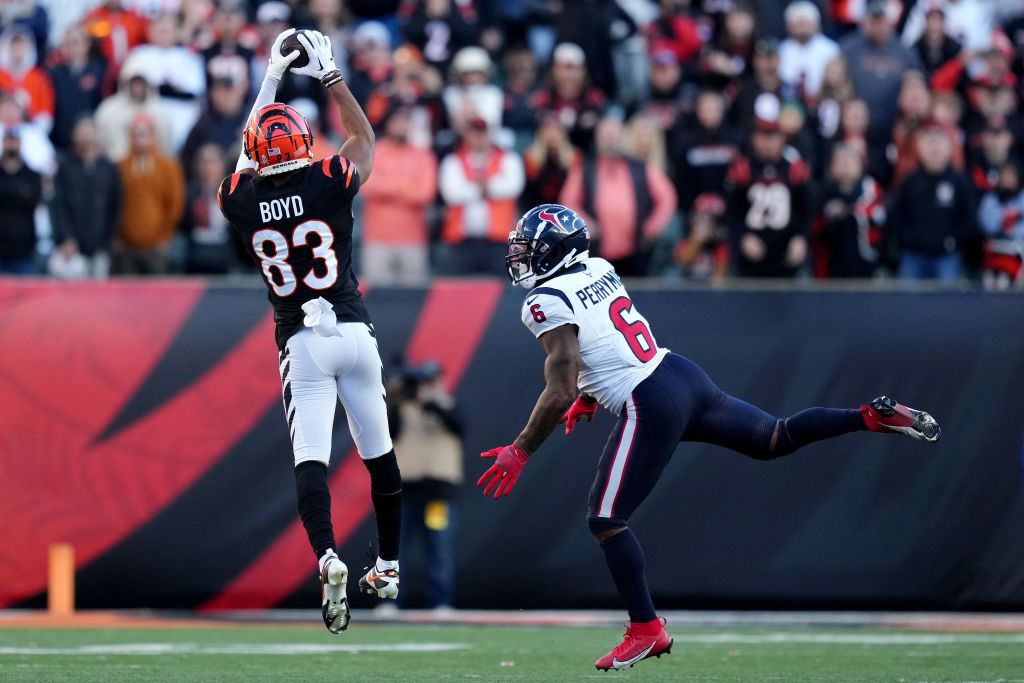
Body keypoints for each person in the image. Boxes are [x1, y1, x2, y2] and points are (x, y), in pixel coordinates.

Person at [477, 203, 941, 671]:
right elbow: (602, 340)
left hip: (650, 400)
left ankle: (646, 630)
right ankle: (868, 417)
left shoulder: (544, 301)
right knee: (774, 438)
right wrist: (591, 395)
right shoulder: (598, 268)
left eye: (528, 248)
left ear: (555, 250)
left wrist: (521, 450)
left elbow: (558, 387)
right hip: (680, 374)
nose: (520, 257)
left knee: (606, 518)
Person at [216, 28, 402, 634]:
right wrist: (328, 73)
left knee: (310, 459)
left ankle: (327, 557)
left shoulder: (239, 200)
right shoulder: (327, 178)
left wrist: (268, 78)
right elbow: (364, 139)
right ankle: (391, 563)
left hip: (301, 339)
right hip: (353, 328)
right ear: (302, 143)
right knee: (380, 454)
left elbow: (247, 157)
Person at [387, 359, 463, 610]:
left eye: (432, 381)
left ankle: (440, 602)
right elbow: (390, 432)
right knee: (395, 551)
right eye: (423, 382)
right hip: (405, 493)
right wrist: (396, 397)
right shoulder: (402, 408)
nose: (426, 387)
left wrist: (431, 401)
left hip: (437, 495)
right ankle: (390, 602)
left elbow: (459, 426)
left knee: (438, 549)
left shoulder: (447, 405)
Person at [49, 117, 122, 279]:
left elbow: (115, 207)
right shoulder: (66, 166)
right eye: (83, 133)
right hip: (72, 248)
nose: (87, 138)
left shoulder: (109, 168)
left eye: (90, 133)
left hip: (100, 247)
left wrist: (107, 241)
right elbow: (59, 205)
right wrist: (67, 238)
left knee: (99, 297)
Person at [113, 112, 185, 274]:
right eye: (137, 135)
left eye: (145, 134)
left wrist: (165, 237)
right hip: (126, 247)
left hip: (157, 247)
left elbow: (175, 205)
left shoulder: (169, 167)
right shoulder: (120, 167)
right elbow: (114, 204)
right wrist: (117, 236)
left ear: (153, 136)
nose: (141, 140)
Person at [0, 126, 42, 274]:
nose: (11, 144)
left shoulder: (32, 175)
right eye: (8, 140)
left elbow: (32, 202)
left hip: (23, 250)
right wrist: (18, 193)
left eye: (15, 140)